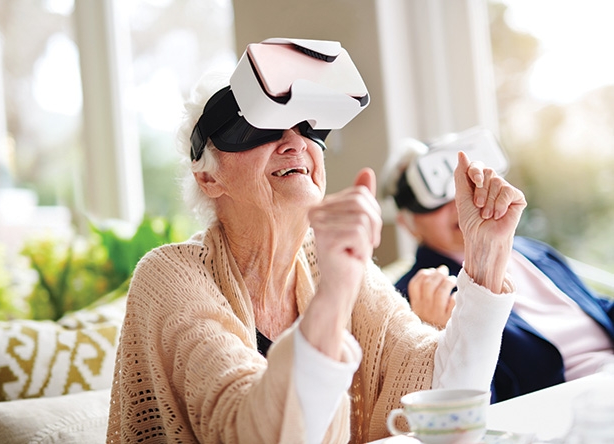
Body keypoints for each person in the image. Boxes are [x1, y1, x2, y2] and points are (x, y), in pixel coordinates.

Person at [106, 39, 527, 444]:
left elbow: (438, 394)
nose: (294, 142)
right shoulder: (170, 276)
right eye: (261, 126)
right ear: (208, 177)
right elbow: (250, 430)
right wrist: (332, 299)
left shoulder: (333, 263)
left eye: (308, 126)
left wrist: (485, 259)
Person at [383, 131, 614, 404]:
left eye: (462, 190)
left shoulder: (532, 250)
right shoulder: (417, 297)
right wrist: (437, 336)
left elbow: (597, 306)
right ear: (407, 223)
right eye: (436, 202)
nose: (458, 205)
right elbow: (474, 405)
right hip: (571, 404)